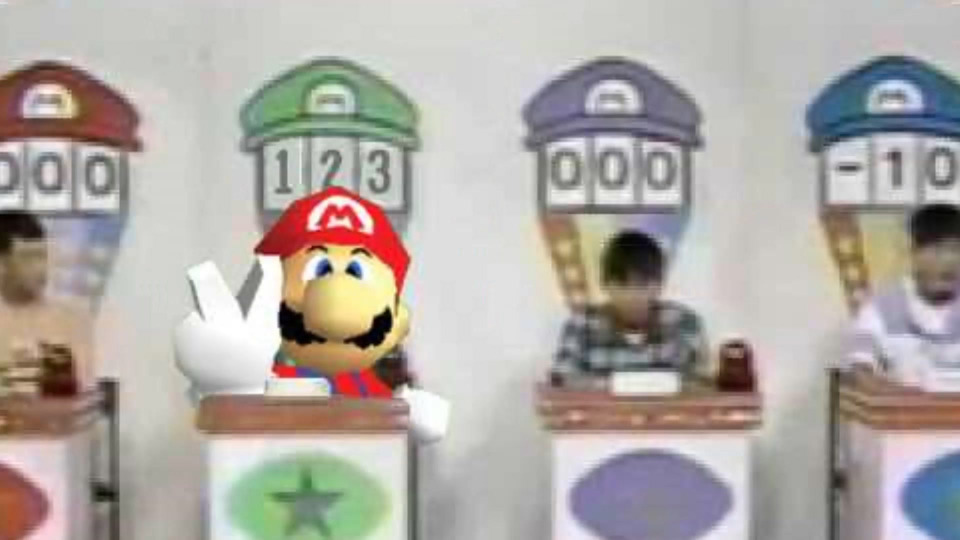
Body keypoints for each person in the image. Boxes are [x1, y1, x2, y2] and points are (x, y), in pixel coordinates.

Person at [551, 229, 710, 386]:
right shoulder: (581, 325)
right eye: (622, 285)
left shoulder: (684, 323)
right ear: (604, 284)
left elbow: (702, 385)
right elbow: (563, 382)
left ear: (659, 285)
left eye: (642, 285)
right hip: (602, 405)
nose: (632, 295)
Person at [845, 204, 960, 387]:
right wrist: (892, 395)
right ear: (914, 252)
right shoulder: (882, 306)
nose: (950, 261)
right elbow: (860, 368)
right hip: (903, 403)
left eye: (957, 250)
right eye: (938, 250)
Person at [0, 211, 93, 389]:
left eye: (42, 256)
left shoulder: (72, 319)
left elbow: (84, 389)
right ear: (3, 263)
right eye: (28, 257)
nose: (40, 268)